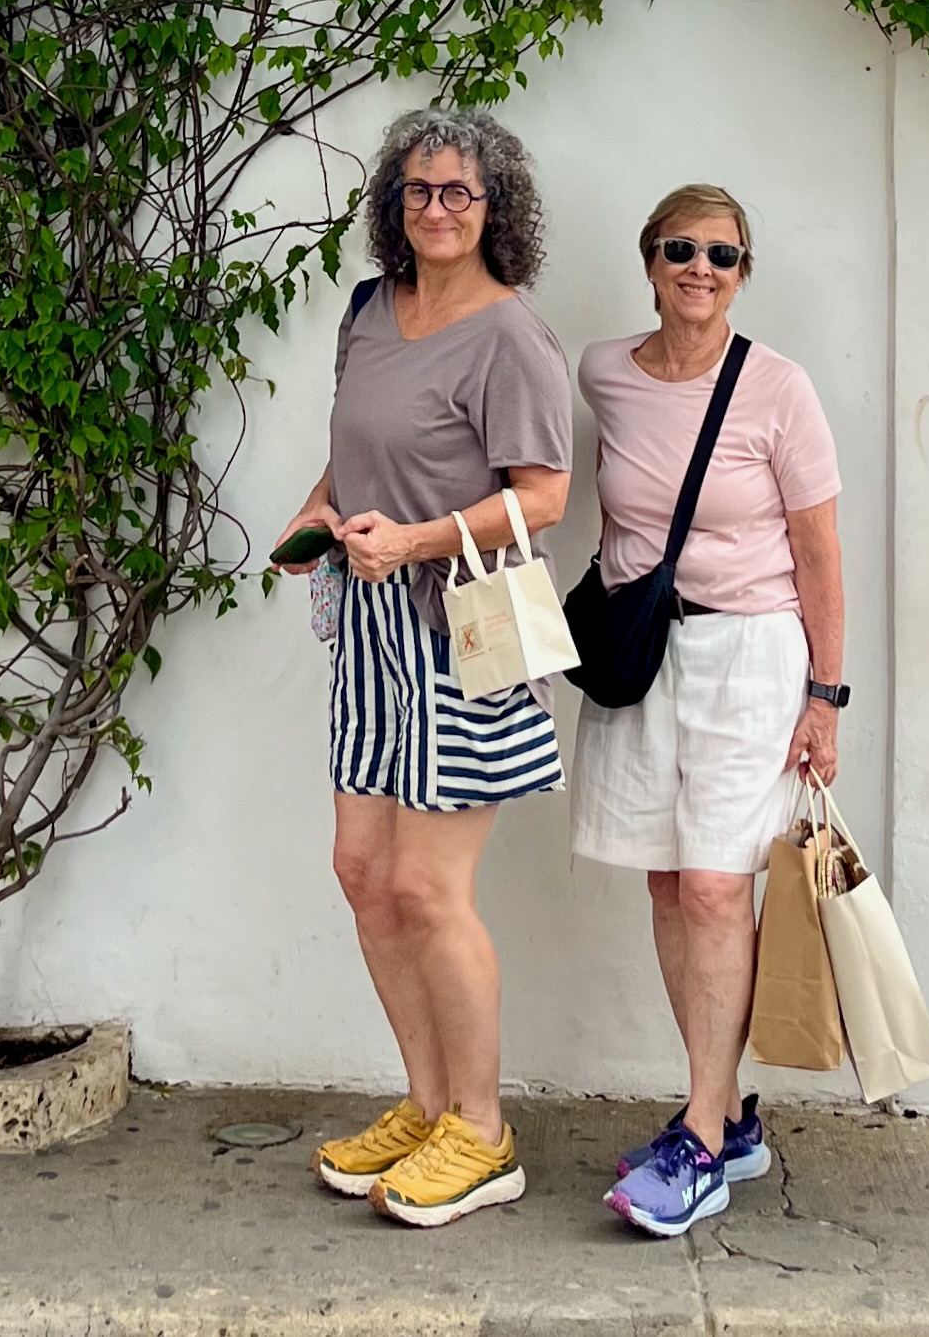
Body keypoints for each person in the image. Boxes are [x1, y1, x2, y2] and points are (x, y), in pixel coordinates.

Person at [273, 107, 573, 1230]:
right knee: (362, 869)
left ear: (495, 207)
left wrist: (414, 539)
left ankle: (484, 1135)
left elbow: (543, 497)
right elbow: (355, 446)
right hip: (368, 623)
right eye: (417, 189)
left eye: (458, 191)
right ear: (392, 205)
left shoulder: (512, 337)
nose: (436, 208)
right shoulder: (369, 310)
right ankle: (428, 1102)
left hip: (462, 626)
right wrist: (318, 508)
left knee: (426, 888)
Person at [569, 182, 845, 1241]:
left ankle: (697, 1137)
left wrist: (825, 696)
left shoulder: (778, 387)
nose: (700, 268)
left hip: (750, 654)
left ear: (742, 273)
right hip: (647, 652)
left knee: (719, 885)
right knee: (665, 876)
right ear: (649, 260)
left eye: (721, 255)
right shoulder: (604, 370)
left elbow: (818, 549)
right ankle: (723, 1117)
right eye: (681, 249)